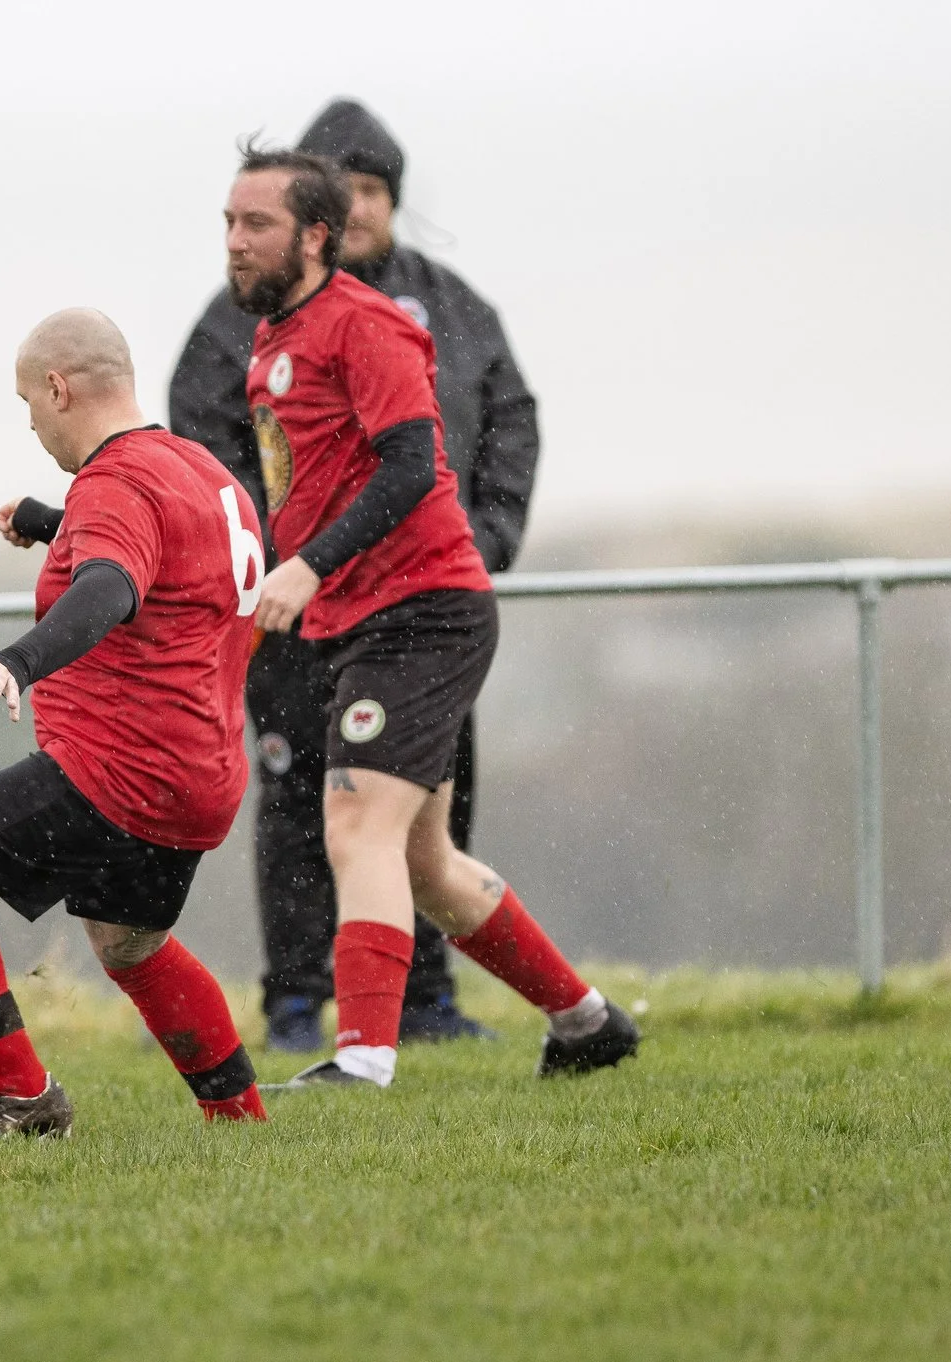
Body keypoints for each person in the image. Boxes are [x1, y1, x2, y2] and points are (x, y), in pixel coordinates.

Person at [219, 149, 640, 1090]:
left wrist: (309, 564)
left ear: (316, 236)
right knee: (424, 865)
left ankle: (364, 1063)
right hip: (359, 620)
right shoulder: (272, 339)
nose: (237, 243)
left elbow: (413, 468)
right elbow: (303, 485)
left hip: (426, 614)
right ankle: (588, 1023)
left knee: (352, 830)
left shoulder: (367, 327)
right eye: (230, 223)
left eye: (258, 225)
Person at [169, 99, 541, 1053]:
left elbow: (501, 425)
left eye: (376, 190)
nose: (362, 207)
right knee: (306, 805)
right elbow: (210, 455)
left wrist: (486, 538)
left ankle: (426, 1006)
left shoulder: (446, 309)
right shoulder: (240, 324)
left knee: (419, 820)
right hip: (295, 616)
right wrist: (280, 562)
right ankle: (298, 1001)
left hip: (417, 606)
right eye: (346, 187)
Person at [0, 309, 268, 1144]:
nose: (33, 424)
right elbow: (168, 563)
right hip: (201, 773)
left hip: (116, 771)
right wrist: (56, 525)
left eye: (28, 404)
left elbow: (113, 589)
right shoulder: (204, 472)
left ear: (59, 388)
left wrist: (22, 659)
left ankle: (21, 1095)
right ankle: (242, 1120)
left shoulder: (115, 480)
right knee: (129, 946)